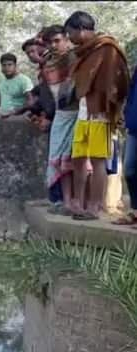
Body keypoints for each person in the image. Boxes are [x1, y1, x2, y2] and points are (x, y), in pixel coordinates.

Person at [65, 11, 129, 220]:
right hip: (84, 110)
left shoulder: (108, 49)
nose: (70, 38)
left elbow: (116, 82)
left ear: (82, 30)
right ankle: (77, 203)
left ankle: (94, 207)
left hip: (100, 111)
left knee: (98, 159)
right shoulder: (86, 51)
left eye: (71, 33)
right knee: (78, 157)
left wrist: (110, 106)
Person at [40, 25, 78, 216]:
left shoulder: (73, 57)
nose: (54, 45)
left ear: (66, 38)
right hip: (61, 114)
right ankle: (64, 201)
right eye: (51, 42)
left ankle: (74, 202)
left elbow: (71, 88)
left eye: (58, 40)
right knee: (59, 160)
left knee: (72, 160)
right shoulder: (48, 62)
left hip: (76, 113)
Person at [115, 59, 137, 226]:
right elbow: (132, 93)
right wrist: (126, 113)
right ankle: (135, 211)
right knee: (129, 170)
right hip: (134, 127)